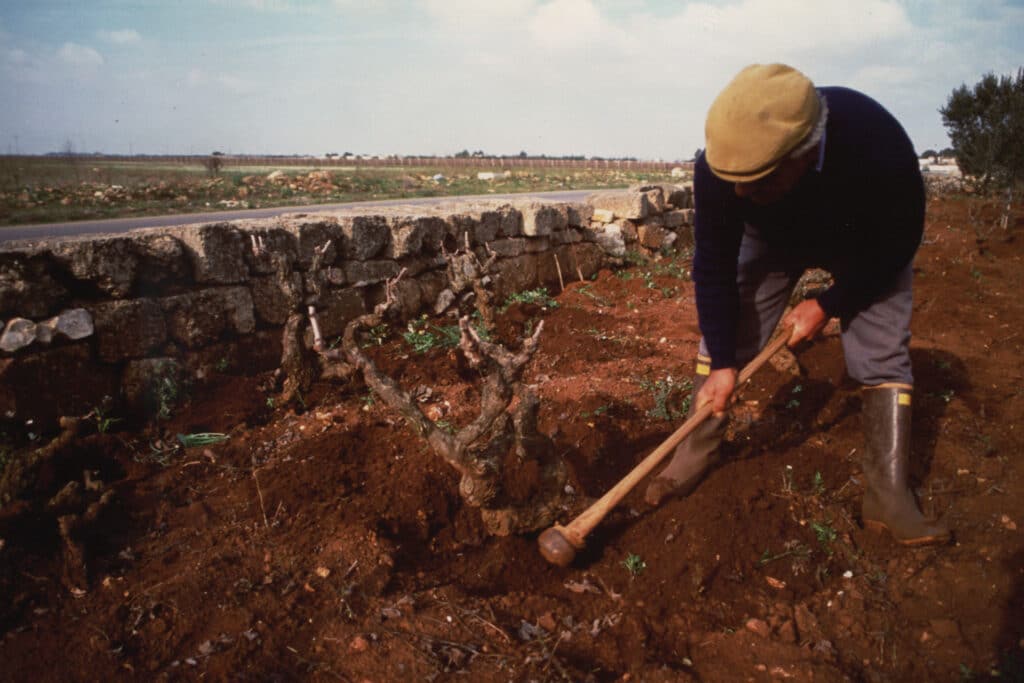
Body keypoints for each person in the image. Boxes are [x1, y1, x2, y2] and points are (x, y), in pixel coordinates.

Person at [645, 63, 949, 546]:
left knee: (882, 351)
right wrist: (723, 362)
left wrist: (829, 303)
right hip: (773, 237)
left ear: (805, 152)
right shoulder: (724, 165)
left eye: (757, 181)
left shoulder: (877, 143)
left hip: (863, 240)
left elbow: (898, 242)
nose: (740, 194)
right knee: (731, 333)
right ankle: (693, 454)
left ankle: (887, 497)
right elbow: (714, 266)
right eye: (734, 182)